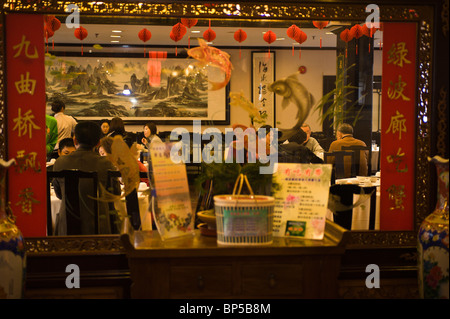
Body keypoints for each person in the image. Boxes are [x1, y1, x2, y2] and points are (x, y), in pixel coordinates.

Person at [52, 121, 119, 235]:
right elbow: (115, 193)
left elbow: (59, 195)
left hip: (66, 231)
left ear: (75, 141)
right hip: (99, 230)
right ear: (98, 143)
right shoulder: (106, 164)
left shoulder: (60, 163)